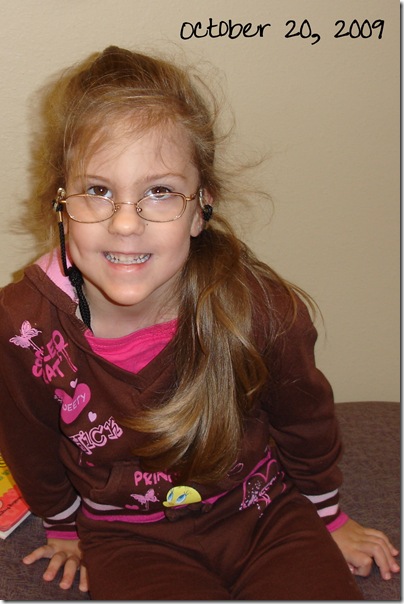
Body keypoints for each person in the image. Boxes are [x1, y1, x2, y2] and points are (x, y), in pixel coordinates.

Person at [0, 46, 398, 600]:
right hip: (127, 538)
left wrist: (326, 513)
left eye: (159, 192)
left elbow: (305, 416)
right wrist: (64, 526)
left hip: (264, 510)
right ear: (61, 203)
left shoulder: (258, 306)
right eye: (98, 190)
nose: (125, 224)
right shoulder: (23, 325)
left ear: (200, 208)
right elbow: (28, 437)